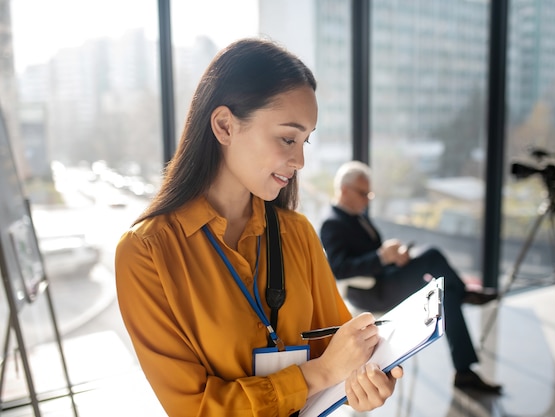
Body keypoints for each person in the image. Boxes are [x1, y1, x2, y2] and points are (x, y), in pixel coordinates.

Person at [115, 39, 403, 417]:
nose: (299, 160)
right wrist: (318, 374)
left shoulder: (298, 232)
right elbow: (195, 409)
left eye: (305, 141)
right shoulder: (146, 254)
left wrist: (363, 380)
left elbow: (339, 351)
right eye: (288, 138)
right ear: (224, 126)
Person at [319, 160, 502, 394]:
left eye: (369, 194)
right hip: (373, 292)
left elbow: (369, 251)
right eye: (364, 193)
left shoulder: (355, 215)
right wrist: (381, 257)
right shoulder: (332, 223)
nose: (367, 199)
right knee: (434, 258)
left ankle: (464, 369)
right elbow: (339, 269)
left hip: (385, 277)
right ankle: (464, 357)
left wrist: (392, 255)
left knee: (446, 292)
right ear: (344, 190)